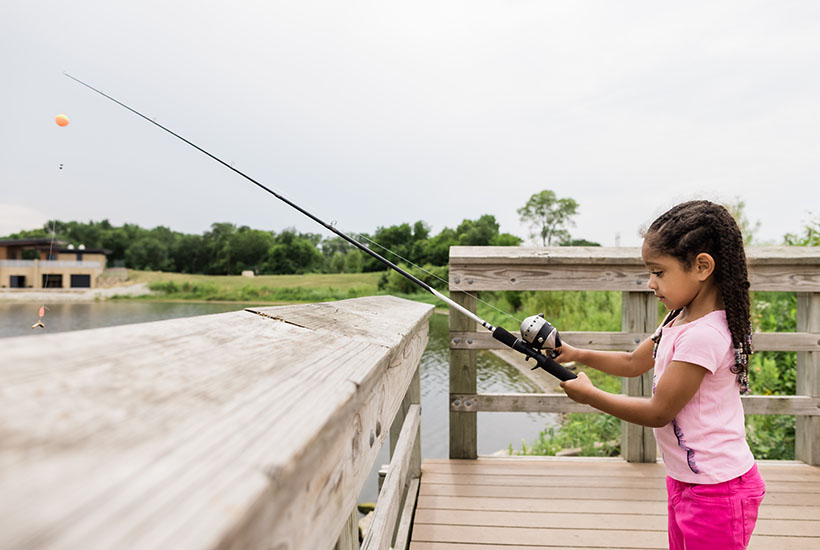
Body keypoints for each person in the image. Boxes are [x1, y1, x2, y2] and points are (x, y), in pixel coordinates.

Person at [555, 200, 766, 550]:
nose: (650, 283)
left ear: (701, 266)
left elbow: (659, 412)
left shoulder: (704, 336)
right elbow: (631, 363)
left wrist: (590, 396)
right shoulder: (678, 319)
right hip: (686, 479)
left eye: (658, 271)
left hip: (719, 489)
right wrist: (576, 354)